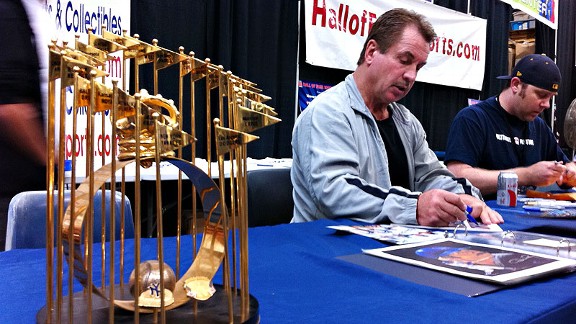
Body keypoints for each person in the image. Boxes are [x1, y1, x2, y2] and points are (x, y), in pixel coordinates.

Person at [290, 8, 502, 227]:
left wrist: (461, 198)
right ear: (371, 52)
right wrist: (415, 206)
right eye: (404, 60)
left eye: (418, 66)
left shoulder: (406, 121)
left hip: (385, 244)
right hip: (326, 247)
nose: (411, 75)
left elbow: (431, 175)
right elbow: (334, 193)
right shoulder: (328, 112)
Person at [445, 54, 576, 199]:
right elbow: (457, 175)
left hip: (529, 215)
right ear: (515, 85)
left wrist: (569, 172)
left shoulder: (539, 127)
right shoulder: (473, 119)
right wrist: (526, 176)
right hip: (485, 215)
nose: (546, 104)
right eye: (541, 95)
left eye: (550, 97)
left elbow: (565, 166)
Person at [0, 0, 49, 250]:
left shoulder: (22, 12)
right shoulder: (7, 13)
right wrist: (48, 160)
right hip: (10, 194)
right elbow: (12, 109)